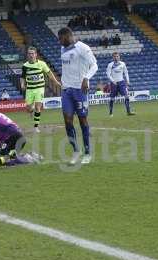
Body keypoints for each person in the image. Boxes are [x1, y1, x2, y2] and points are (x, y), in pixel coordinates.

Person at [58, 27, 98, 165]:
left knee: (82, 121)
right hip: (66, 90)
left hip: (79, 90)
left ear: (68, 36)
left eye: (60, 38)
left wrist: (86, 78)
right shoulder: (63, 49)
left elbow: (94, 65)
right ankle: (76, 150)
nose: (59, 41)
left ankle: (87, 152)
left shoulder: (82, 48)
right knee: (68, 121)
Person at [20, 46, 61, 133]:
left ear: (36, 55)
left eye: (32, 53)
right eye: (29, 53)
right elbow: (23, 77)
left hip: (39, 88)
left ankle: (36, 127)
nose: (31, 55)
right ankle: (31, 109)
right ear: (27, 55)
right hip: (30, 89)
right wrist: (22, 84)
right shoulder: (25, 66)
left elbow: (49, 73)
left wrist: (56, 82)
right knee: (28, 108)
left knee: (38, 107)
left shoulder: (42, 64)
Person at [106, 52, 135, 117]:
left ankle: (128, 112)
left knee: (126, 96)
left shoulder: (122, 64)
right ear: (112, 57)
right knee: (112, 98)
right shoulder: (110, 65)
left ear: (119, 57)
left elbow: (126, 72)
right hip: (114, 83)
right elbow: (108, 74)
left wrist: (128, 81)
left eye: (117, 56)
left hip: (121, 82)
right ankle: (110, 112)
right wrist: (113, 81)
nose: (116, 58)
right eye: (114, 56)